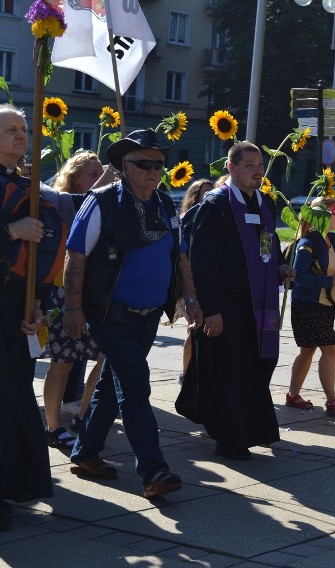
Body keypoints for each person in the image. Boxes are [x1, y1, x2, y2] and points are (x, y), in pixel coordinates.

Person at [63, 129, 203, 498]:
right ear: (124, 166)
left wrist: (191, 299)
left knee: (111, 387)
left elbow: (181, 255)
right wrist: (73, 309)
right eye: (144, 164)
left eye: (159, 164)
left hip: (149, 315)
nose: (154, 171)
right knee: (136, 387)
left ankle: (86, 453)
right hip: (112, 314)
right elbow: (75, 257)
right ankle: (154, 471)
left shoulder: (165, 204)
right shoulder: (102, 202)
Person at [181, 144, 288, 460]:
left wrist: (280, 267)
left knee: (255, 368)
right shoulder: (215, 206)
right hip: (226, 308)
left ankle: (250, 430)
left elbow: (267, 246)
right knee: (229, 373)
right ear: (231, 167)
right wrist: (210, 309)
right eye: (250, 165)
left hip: (257, 306)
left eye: (260, 165)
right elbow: (202, 262)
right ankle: (229, 438)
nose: (257, 170)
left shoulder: (264, 203)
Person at [0, 104, 53, 530]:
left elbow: (44, 256)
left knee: (15, 399)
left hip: (15, 310)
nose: (21, 136)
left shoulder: (30, 185)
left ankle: (13, 485)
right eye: (10, 130)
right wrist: (9, 231)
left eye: (24, 129)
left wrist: (37, 304)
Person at [41, 151, 105, 448]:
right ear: (75, 176)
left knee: (107, 359)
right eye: (92, 173)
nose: (99, 178)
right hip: (62, 293)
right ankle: (54, 427)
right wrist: (114, 170)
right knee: (62, 363)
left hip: (96, 293)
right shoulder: (60, 203)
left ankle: (81, 416)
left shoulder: (105, 205)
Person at [286, 196, 335, 416]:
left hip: (326, 305)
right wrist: (332, 281)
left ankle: (292, 395)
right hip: (307, 304)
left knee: (307, 350)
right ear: (323, 217)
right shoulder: (307, 242)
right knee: (329, 347)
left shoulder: (334, 239)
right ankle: (332, 400)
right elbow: (298, 277)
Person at [177, 178, 214, 386]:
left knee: (203, 329)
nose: (210, 197)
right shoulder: (188, 218)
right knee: (193, 328)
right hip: (191, 281)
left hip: (205, 280)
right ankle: (186, 373)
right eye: (205, 194)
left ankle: (200, 372)